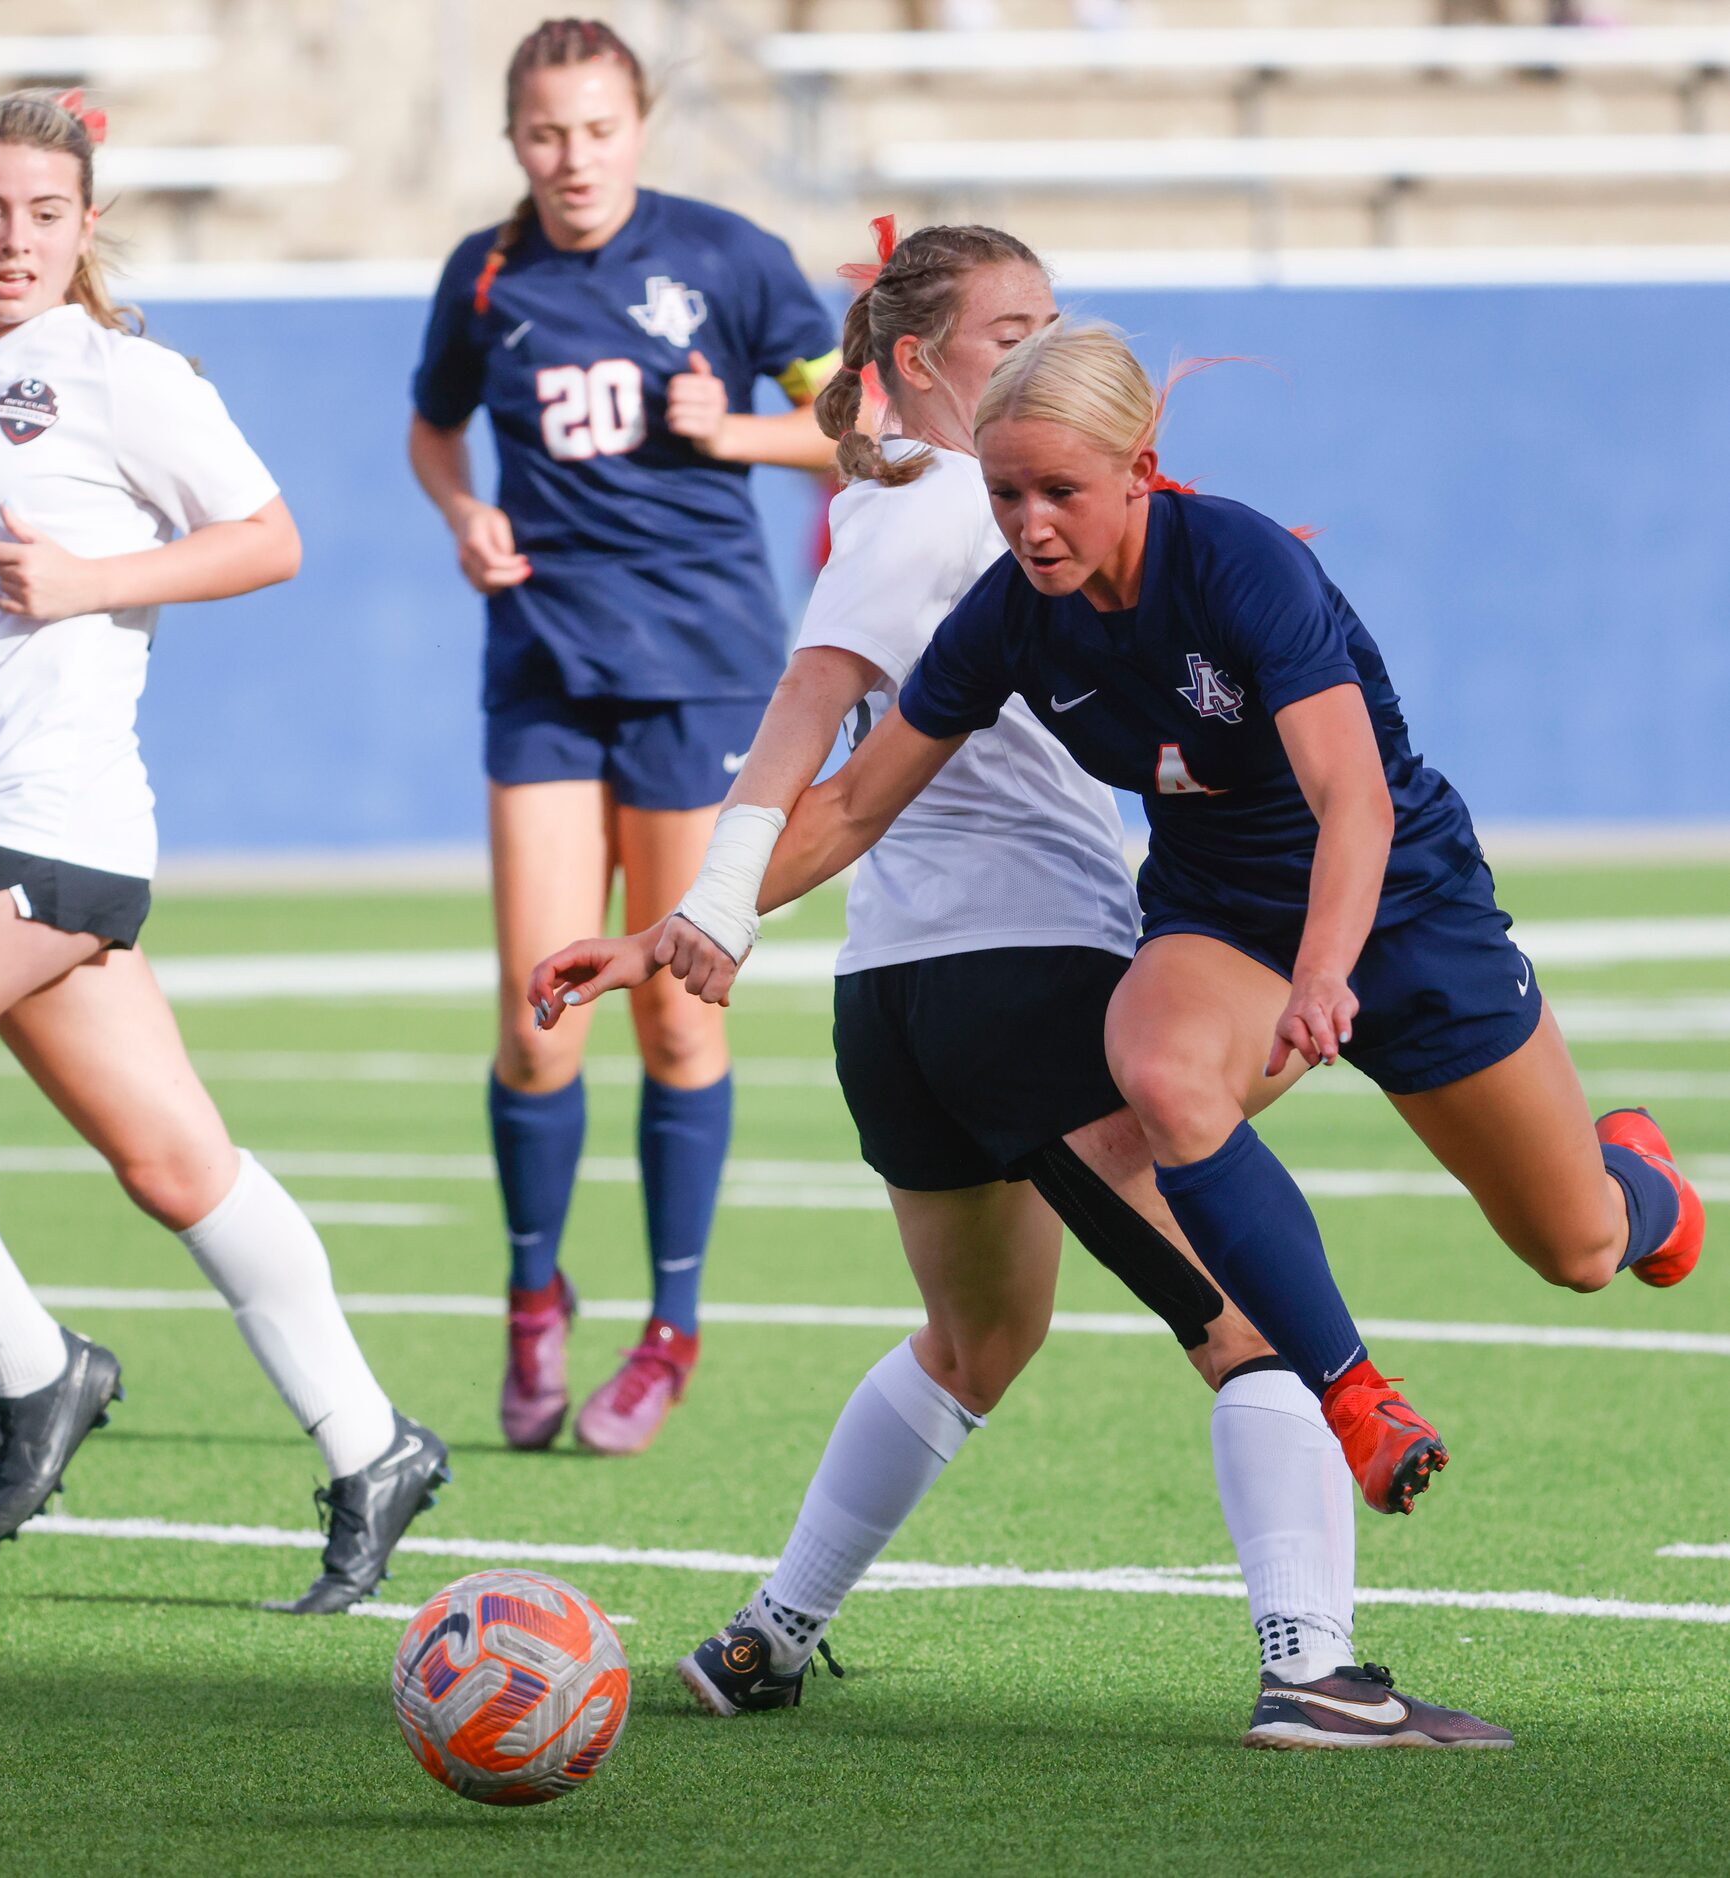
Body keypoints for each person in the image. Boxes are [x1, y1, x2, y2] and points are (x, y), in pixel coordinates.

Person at [529, 223, 1507, 1748]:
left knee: (974, 1344)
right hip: (1026, 978)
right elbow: (812, 715)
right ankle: (1312, 1664)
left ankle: (770, 1635)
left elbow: (855, 799)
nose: (1037, 355)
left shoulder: (923, 505)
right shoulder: (938, 520)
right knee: (1243, 1316)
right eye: (1007, 331)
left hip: (895, 1007)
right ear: (916, 363)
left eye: (1052, 324)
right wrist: (705, 900)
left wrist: (678, 928)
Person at [546, 317, 1703, 1524]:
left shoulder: (1243, 566)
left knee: (1578, 1249)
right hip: (1225, 917)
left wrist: (1325, 974)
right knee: (1152, 1072)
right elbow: (847, 806)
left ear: (1141, 469)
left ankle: (1646, 1182)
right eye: (1004, 494)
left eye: (1061, 492)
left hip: (1403, 909)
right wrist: (680, 927)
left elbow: (1351, 798)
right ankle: (1355, 1393)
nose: (1030, 523)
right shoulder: (1010, 614)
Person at [0, 89, 445, 1614]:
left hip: (51, 814)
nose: (14, 239)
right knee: (178, 1163)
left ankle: (35, 1364)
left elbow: (269, 537)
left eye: (45, 214)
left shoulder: (121, 378)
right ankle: (371, 1441)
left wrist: (90, 579)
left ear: (84, 229)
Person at [408, 18, 840, 1455]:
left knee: (672, 1008)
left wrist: (741, 433)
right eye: (544, 133)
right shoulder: (483, 273)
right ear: (513, 137)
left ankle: (669, 1330)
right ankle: (534, 1300)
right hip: (539, 671)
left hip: (705, 678)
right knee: (537, 1020)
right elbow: (432, 428)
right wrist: (462, 510)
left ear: (636, 128)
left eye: (594, 130)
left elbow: (865, 429)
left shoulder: (728, 258)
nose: (570, 157)